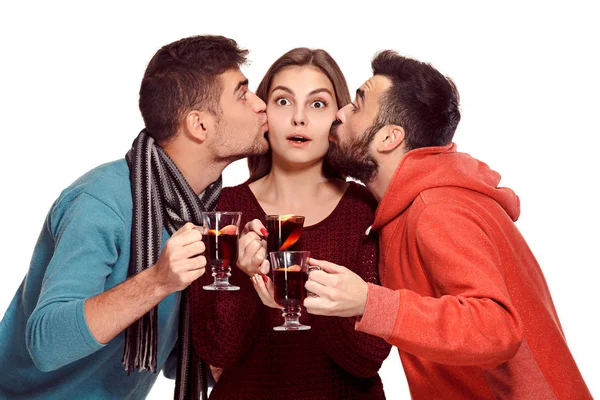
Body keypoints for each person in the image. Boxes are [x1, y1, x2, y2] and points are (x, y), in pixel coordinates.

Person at [302, 50, 593, 399]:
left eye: (358, 105)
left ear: (388, 138)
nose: (340, 112)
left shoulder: (437, 209)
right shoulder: (411, 205)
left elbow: (497, 327)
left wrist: (370, 302)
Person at [0, 35, 269, 399]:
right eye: (242, 94)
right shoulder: (100, 201)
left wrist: (243, 279)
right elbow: (46, 342)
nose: (260, 105)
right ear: (199, 125)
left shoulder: (207, 216)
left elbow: (182, 361)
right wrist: (158, 280)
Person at [190, 48, 391, 399]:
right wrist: (244, 274)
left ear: (338, 117)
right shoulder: (224, 209)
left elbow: (367, 358)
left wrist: (302, 297)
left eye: (317, 104)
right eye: (283, 102)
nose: (299, 118)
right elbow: (215, 351)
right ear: (263, 112)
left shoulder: (366, 211)